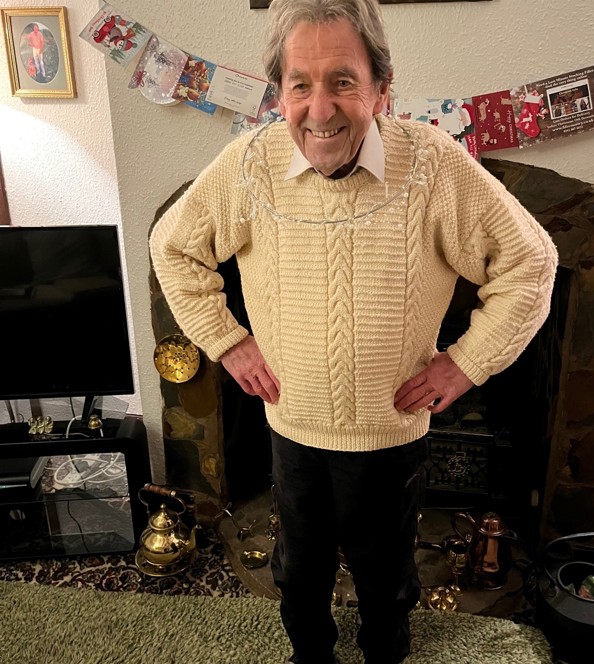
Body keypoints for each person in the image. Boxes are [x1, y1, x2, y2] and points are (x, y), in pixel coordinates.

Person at [149, 1, 558, 662]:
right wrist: (226, 340)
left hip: (390, 436)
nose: (320, 108)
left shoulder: (431, 164)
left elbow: (533, 262)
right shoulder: (248, 165)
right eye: (300, 84)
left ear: (380, 90)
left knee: (385, 577)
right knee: (298, 569)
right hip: (292, 426)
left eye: (343, 81)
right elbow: (174, 248)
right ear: (279, 93)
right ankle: (309, 655)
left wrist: (466, 363)